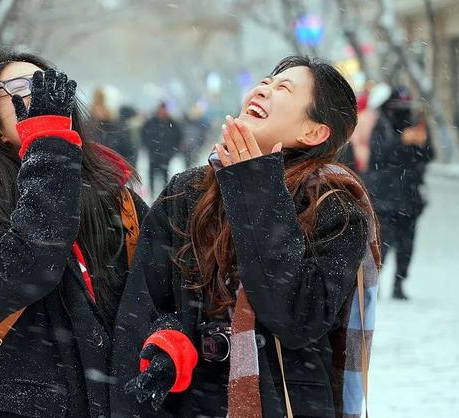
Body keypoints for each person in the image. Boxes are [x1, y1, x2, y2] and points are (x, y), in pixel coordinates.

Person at [113, 56, 380, 418]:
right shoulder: (187, 191)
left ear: (314, 132)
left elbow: (296, 318)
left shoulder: (335, 208)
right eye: (266, 82)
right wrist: (167, 341)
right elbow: (144, 302)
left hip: (283, 400)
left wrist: (256, 187)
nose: (263, 90)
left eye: (283, 88)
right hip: (188, 400)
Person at [0, 52, 148, 418]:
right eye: (21, 88)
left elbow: (160, 288)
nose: (41, 96)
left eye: (48, 85)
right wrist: (48, 146)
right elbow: (27, 272)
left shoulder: (114, 196)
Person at [366, 86, 433, 300]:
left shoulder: (416, 125)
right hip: (385, 198)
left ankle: (399, 284)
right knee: (382, 246)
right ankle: (373, 286)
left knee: (406, 246)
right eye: (397, 106)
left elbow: (428, 156)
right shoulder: (382, 125)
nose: (402, 111)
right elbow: (378, 157)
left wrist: (421, 143)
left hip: (410, 199)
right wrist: (402, 142)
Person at [141, 102, 183, 197]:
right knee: (151, 176)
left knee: (165, 177)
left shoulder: (172, 123)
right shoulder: (150, 122)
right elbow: (144, 135)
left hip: (166, 156)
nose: (162, 112)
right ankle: (151, 195)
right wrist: (149, 147)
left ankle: (164, 196)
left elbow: (178, 137)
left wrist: (172, 151)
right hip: (153, 155)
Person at [181, 102, 209, 169]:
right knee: (189, 163)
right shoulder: (187, 123)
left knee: (194, 163)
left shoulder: (199, 123)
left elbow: (202, 134)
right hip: (188, 146)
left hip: (195, 145)